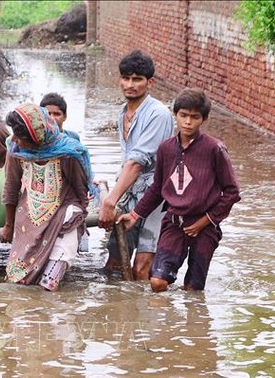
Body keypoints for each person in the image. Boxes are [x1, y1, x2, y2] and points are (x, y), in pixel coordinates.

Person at [116, 88, 241, 291]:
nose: (188, 122)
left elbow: (232, 192)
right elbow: (158, 188)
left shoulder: (214, 149)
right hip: (174, 223)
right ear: (176, 115)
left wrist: (204, 222)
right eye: (183, 115)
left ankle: (191, 323)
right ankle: (165, 321)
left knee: (193, 289)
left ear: (204, 119)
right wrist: (135, 214)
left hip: (205, 226)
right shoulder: (166, 148)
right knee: (157, 281)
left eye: (194, 117)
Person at [97, 50, 175, 280]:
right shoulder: (123, 112)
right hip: (129, 191)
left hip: (155, 195)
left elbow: (136, 163)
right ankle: (120, 309)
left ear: (149, 82)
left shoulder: (158, 114)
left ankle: (143, 313)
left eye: (137, 79)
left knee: (142, 266)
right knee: (114, 261)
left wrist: (110, 201)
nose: (130, 85)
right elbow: (127, 163)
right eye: (126, 78)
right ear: (120, 79)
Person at [1, 103, 94, 291]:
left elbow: (80, 192)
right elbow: (11, 188)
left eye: (21, 137)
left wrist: (78, 221)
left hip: (63, 214)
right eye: (15, 134)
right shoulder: (15, 150)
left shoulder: (68, 153)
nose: (16, 140)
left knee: (49, 282)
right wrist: (9, 225)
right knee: (17, 281)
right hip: (29, 217)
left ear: (36, 138)